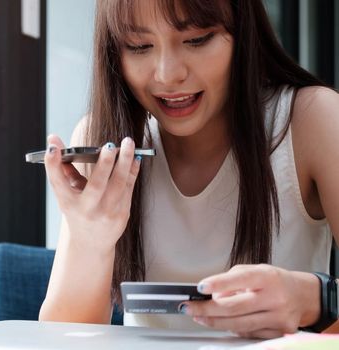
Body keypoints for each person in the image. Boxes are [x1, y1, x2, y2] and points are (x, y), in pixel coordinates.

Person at [39, 0, 339, 339]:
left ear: (243, 33)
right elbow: (59, 339)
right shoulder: (106, 144)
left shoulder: (313, 121)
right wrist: (89, 242)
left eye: (197, 39)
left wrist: (313, 299)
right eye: (139, 46)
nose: (168, 74)